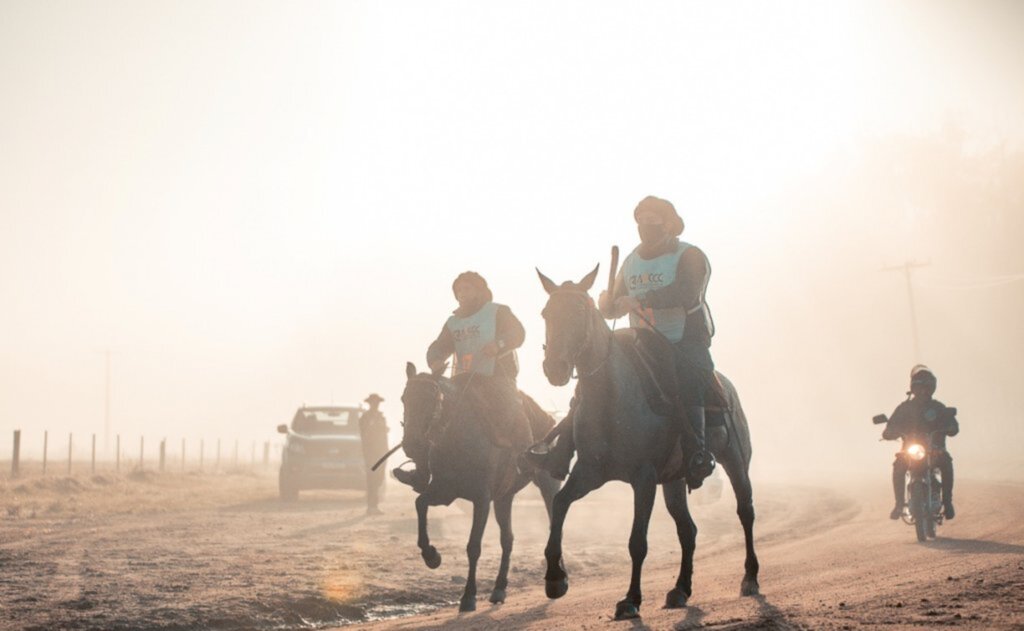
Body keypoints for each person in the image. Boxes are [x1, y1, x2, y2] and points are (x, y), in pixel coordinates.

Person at [528, 195, 717, 487]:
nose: (645, 225)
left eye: (652, 219)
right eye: (641, 220)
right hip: (641, 339)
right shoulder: (631, 261)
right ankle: (561, 449)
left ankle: (697, 452)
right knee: (595, 375)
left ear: (668, 223)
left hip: (683, 340)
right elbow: (614, 306)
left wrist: (642, 298)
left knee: (692, 381)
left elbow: (687, 293)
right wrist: (605, 304)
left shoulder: (690, 255)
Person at [393, 271, 532, 491]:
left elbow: (518, 333)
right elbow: (437, 346)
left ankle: (526, 457)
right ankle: (421, 471)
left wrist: (499, 345)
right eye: (458, 290)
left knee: (513, 410)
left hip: (497, 378)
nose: (462, 294)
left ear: (479, 291)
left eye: (467, 289)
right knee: (433, 414)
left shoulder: (498, 312)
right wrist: (436, 360)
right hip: (462, 380)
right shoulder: (454, 321)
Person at [882, 365, 959, 520]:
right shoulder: (904, 408)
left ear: (932, 389)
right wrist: (889, 432)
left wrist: (950, 427)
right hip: (909, 451)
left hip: (935, 450)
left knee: (946, 462)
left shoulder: (938, 407)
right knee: (898, 465)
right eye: (919, 388)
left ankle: (947, 503)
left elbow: (953, 425)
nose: (923, 391)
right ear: (913, 388)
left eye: (927, 388)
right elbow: (890, 426)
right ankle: (898, 504)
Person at [359, 393, 390, 515]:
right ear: (370, 404)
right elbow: (364, 433)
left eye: (377, 403)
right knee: (372, 479)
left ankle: (374, 505)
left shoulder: (381, 417)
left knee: (379, 479)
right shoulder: (365, 417)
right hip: (371, 453)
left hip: (382, 452)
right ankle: (371, 506)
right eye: (374, 403)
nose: (376, 405)